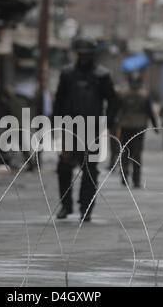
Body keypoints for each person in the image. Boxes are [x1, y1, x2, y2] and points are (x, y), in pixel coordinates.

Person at [54, 38, 118, 222]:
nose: (84, 58)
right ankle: (66, 205)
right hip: (70, 127)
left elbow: (113, 100)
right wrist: (55, 124)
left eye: (87, 54)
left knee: (90, 170)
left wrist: (109, 122)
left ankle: (86, 208)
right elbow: (59, 100)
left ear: (92, 55)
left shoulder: (101, 75)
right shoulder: (67, 74)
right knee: (64, 168)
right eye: (81, 54)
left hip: (92, 129)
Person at [116, 70, 158, 188]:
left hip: (125, 125)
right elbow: (149, 112)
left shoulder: (123, 94)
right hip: (139, 126)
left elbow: (117, 109)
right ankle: (136, 178)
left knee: (125, 151)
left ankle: (124, 174)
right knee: (137, 153)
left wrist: (112, 121)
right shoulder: (144, 95)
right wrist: (155, 126)